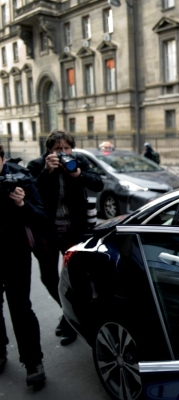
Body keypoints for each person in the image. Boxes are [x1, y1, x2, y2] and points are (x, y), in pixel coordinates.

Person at [27, 130, 104, 346]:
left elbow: (98, 183)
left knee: (77, 279)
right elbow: (29, 192)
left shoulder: (78, 163)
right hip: (47, 235)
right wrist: (46, 172)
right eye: (58, 149)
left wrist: (79, 174)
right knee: (49, 278)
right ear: (49, 151)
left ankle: (71, 322)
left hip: (74, 233)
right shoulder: (37, 166)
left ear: (72, 148)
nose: (63, 153)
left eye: (67, 148)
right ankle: (67, 313)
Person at [0, 144, 47, 388]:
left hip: (15, 253)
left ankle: (33, 363)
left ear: (3, 159)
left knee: (21, 308)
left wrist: (21, 204)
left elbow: (40, 216)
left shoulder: (21, 177)